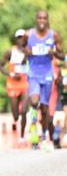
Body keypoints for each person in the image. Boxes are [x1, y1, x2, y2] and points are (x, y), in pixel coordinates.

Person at [24, 11, 64, 149]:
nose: (42, 20)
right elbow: (21, 49)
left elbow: (62, 55)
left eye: (44, 18)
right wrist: (26, 52)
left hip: (47, 74)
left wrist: (53, 53)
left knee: (45, 109)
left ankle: (46, 135)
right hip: (33, 74)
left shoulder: (54, 35)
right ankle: (34, 132)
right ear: (36, 19)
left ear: (47, 20)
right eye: (39, 18)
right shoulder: (28, 34)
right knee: (34, 101)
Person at [0, 29, 30, 140]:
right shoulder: (10, 52)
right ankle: (16, 121)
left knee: (25, 110)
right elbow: (0, 66)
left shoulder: (29, 51)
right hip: (13, 83)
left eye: (23, 37)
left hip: (25, 82)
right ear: (16, 39)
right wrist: (11, 74)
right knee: (15, 113)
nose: (21, 40)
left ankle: (22, 135)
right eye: (19, 37)